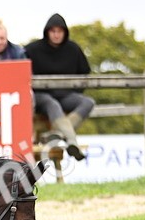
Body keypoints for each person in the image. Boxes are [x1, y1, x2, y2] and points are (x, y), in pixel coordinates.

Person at [26, 13, 94, 160]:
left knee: (87, 102)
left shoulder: (73, 49)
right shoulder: (33, 49)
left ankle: (57, 134)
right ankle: (72, 141)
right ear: (47, 32)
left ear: (65, 32)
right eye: (53, 31)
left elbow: (84, 73)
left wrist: (76, 91)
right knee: (53, 104)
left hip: (66, 95)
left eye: (60, 31)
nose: (56, 35)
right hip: (42, 96)